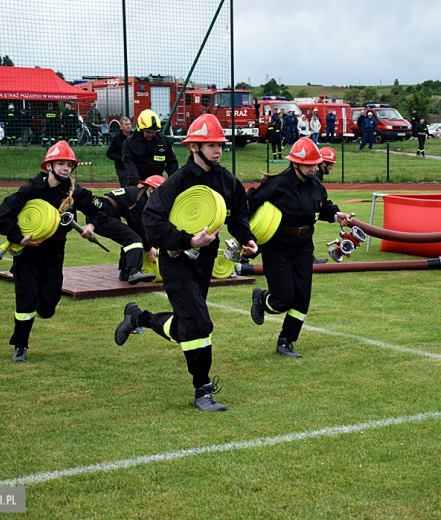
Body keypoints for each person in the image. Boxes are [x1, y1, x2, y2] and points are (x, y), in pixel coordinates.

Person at [114, 114, 258, 412]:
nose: (217, 150)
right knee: (200, 322)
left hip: (205, 261)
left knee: (186, 325)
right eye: (210, 145)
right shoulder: (177, 181)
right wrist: (187, 240)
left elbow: (238, 214)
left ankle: (138, 319)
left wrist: (248, 239)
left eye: (220, 144)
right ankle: (202, 390)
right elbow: (152, 220)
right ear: (194, 147)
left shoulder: (227, 180)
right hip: (176, 259)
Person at [0, 141, 100, 361]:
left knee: (47, 308)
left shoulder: (74, 192)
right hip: (27, 254)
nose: (65, 168)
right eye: (60, 163)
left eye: (69, 165)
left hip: (54, 252)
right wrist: (18, 238)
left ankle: (42, 311)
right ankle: (20, 345)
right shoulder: (31, 189)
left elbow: (98, 208)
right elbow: (3, 215)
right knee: (26, 299)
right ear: (48, 166)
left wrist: (91, 225)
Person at [248, 137, 351, 358]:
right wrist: (246, 238)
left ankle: (286, 341)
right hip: (277, 246)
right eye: (309, 164)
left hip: (303, 246)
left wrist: (336, 214)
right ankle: (260, 298)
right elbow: (250, 203)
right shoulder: (277, 184)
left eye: (316, 164)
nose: (315, 168)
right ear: (295, 164)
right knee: (284, 299)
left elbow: (323, 207)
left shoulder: (316, 185)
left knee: (302, 298)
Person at [87, 175, 164, 284]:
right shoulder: (139, 199)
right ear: (150, 189)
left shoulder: (138, 194)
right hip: (102, 215)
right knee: (134, 239)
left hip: (102, 212)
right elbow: (137, 226)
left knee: (129, 239)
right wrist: (149, 247)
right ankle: (134, 272)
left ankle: (125, 272)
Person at [121, 109, 178, 186]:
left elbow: (172, 162)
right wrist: (137, 183)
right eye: (148, 131)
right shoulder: (130, 142)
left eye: (153, 132)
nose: (150, 134)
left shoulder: (163, 140)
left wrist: (172, 181)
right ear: (140, 129)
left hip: (157, 183)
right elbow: (129, 164)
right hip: (137, 183)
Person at [107, 117, 133, 186]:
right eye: (126, 124)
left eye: (129, 124)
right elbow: (109, 153)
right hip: (121, 167)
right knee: (126, 187)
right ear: (121, 127)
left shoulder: (135, 137)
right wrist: (120, 158)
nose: (128, 126)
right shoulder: (116, 139)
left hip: (134, 166)